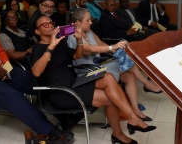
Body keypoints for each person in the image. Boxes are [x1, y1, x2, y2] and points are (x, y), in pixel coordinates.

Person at [31, 15, 156, 144]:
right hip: (62, 93)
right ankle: (122, 130)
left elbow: (77, 55)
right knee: (110, 98)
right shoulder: (38, 48)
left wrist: (79, 39)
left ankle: (131, 118)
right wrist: (50, 47)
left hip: (75, 83)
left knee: (108, 77)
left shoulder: (60, 43)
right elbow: (36, 72)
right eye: (45, 24)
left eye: (51, 22)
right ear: (37, 31)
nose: (51, 25)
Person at [0, 14, 73, 143]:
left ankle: (64, 116)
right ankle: (50, 132)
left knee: (35, 80)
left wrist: (4, 65)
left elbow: (0, 50)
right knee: (12, 96)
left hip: (2, 69)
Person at [68, 8, 161, 103]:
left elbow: (100, 43)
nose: (91, 22)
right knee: (128, 62)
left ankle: (135, 109)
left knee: (129, 74)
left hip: (98, 66)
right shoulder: (73, 36)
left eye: (90, 19)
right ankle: (147, 84)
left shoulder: (89, 31)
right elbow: (89, 49)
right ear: (77, 23)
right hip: (88, 72)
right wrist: (112, 47)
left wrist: (116, 51)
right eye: (87, 20)